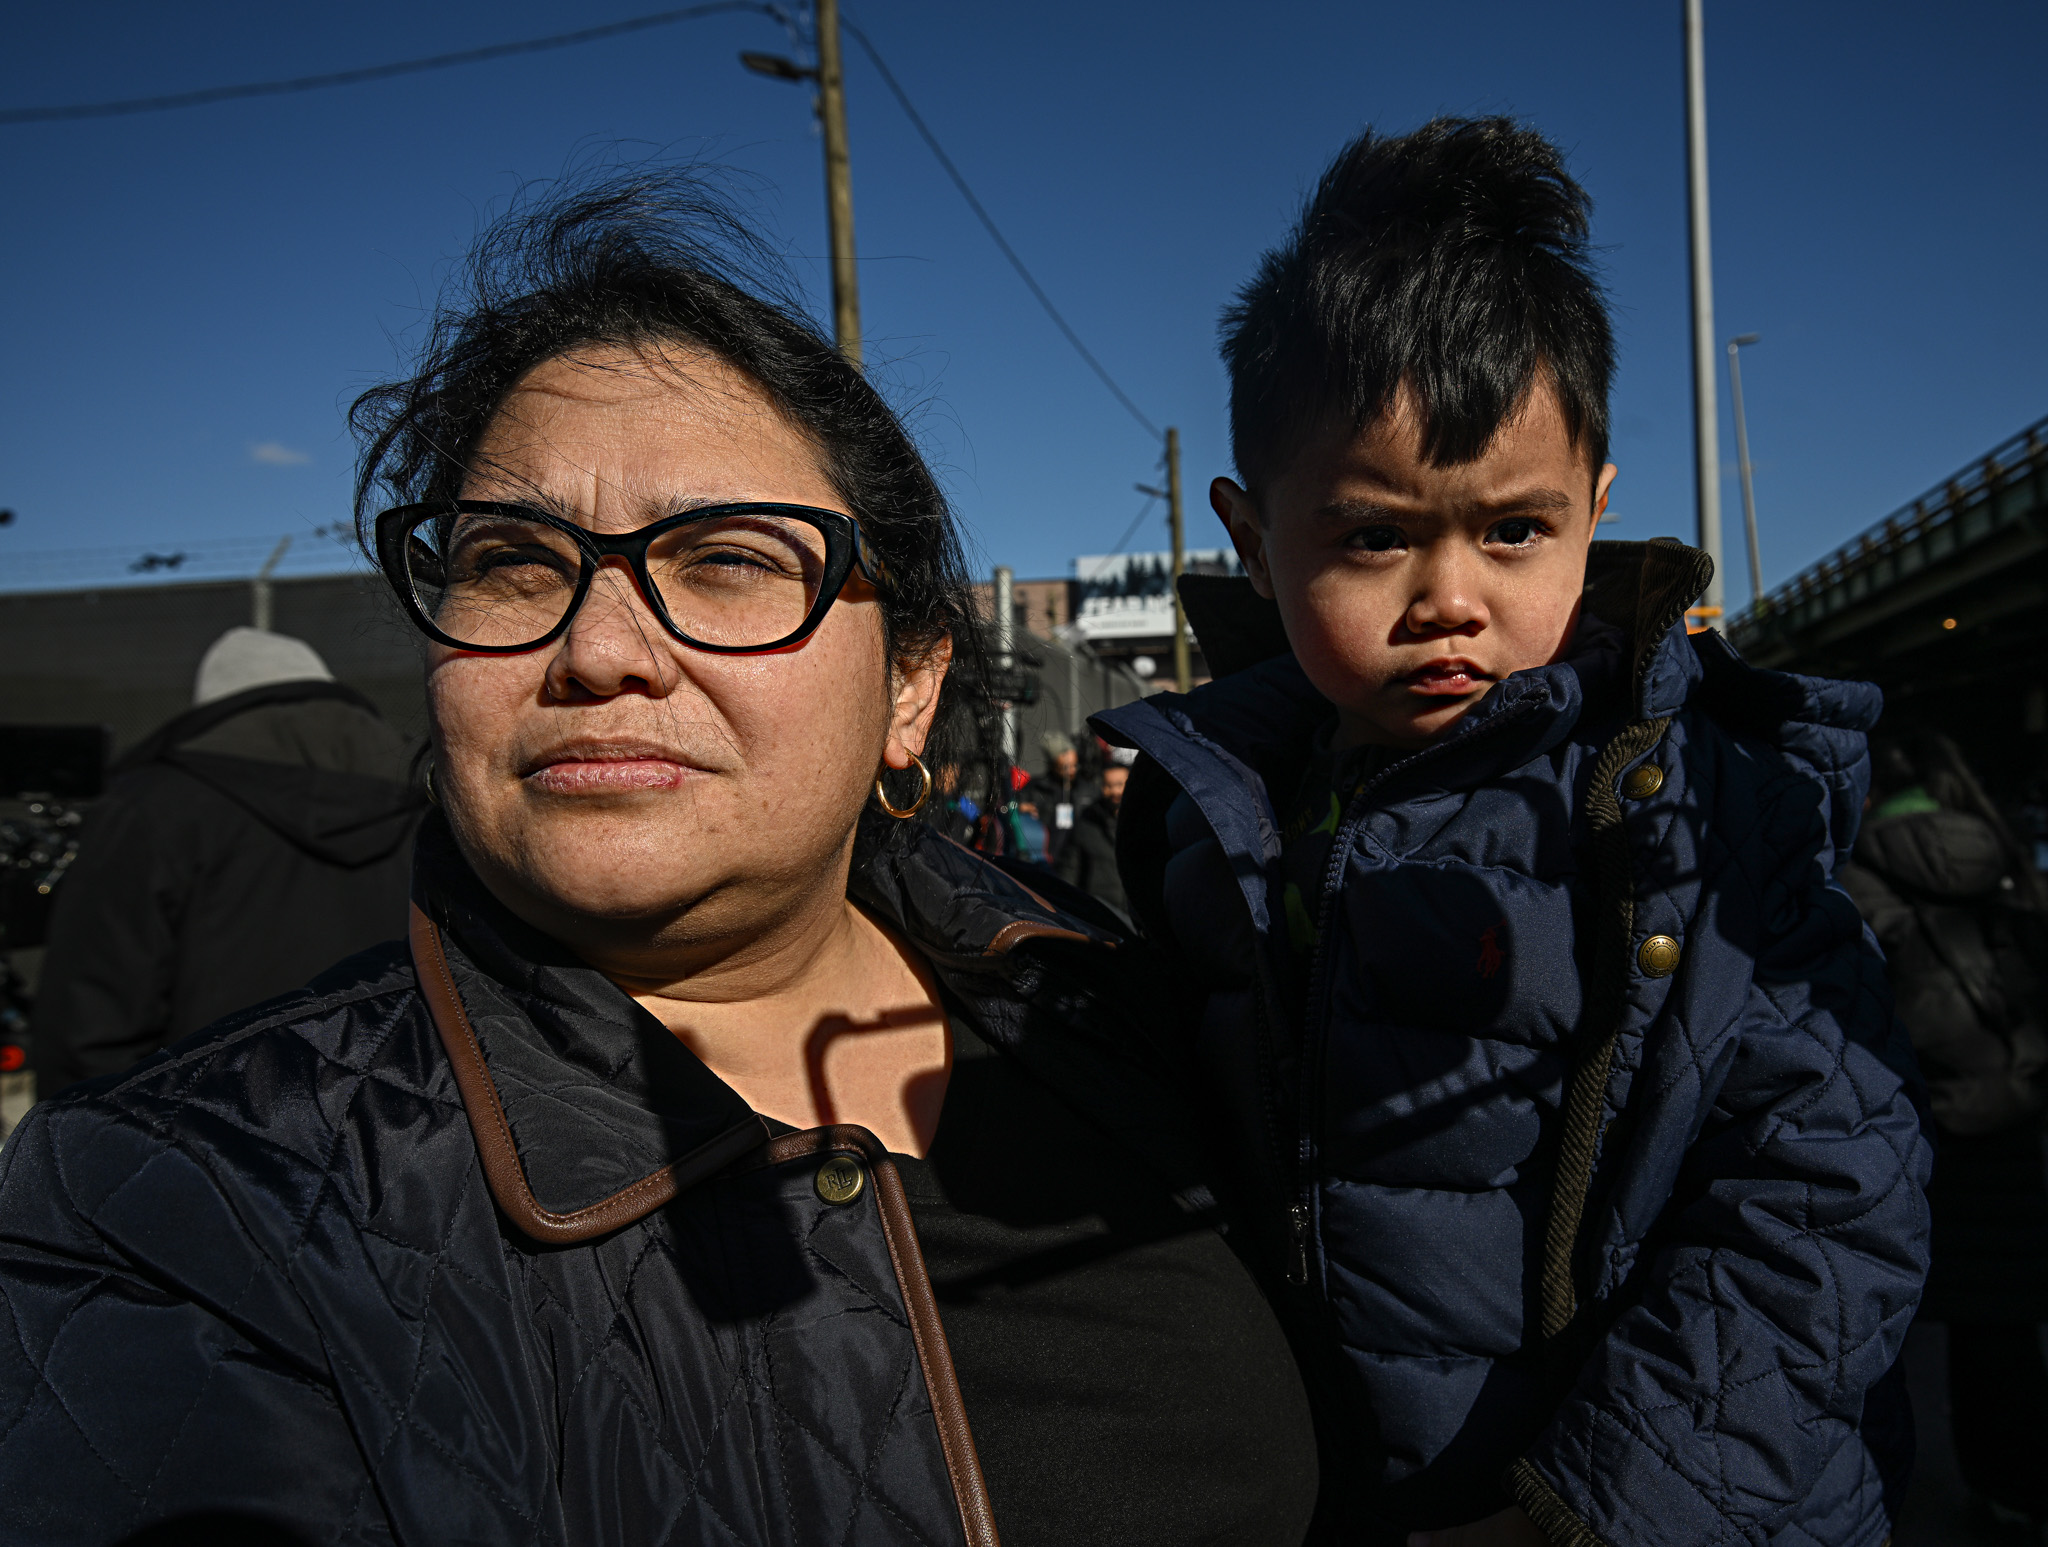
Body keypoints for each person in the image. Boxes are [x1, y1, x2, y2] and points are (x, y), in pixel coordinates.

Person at [0, 173, 1316, 1547]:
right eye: (513, 561)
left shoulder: (1131, 998)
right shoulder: (184, 1207)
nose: (601, 647)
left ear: (912, 684)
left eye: (728, 558)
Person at [1095, 119, 1929, 1547]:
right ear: (1251, 532)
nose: (1449, 595)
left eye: (1515, 531)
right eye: (1370, 537)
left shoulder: (1703, 810)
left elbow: (1832, 1189)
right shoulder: (1204, 804)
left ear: (1596, 508)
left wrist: (1586, 1516)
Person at [30, 625, 421, 1097]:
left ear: (211, 708)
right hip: (399, 1118)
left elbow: (91, 1010)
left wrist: (78, 1146)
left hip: (210, 1132)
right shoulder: (425, 790)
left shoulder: (152, 804)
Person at [1840, 731, 2048, 1535]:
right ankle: (2017, 1488)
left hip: (1916, 1117)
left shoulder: (1856, 869)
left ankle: (1877, 1501)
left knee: (1874, 1318)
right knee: (1999, 1320)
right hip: (2009, 1110)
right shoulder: (1992, 848)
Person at [1053, 761, 1129, 920]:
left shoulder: (1143, 823)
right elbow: (1069, 869)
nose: (1115, 791)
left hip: (1137, 916)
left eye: (1120, 784)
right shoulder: (1086, 823)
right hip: (1100, 913)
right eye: (1108, 785)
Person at [1029, 732, 1085, 859]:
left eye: (1074, 766)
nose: (1071, 771)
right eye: (1065, 767)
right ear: (1053, 766)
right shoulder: (1037, 788)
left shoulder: (1085, 789)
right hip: (1047, 853)